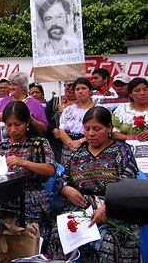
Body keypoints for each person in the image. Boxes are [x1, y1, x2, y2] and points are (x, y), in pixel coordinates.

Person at [49, 106, 139, 262]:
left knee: (108, 243)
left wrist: (109, 206)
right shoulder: (78, 153)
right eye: (87, 129)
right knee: (60, 235)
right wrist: (66, 189)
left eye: (97, 129)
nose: (91, 134)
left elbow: (128, 182)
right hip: (81, 208)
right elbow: (62, 179)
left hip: (113, 208)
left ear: (109, 127)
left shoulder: (122, 151)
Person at [0, 101, 55, 247]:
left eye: (17, 125)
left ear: (27, 123)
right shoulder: (0, 146)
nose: (12, 129)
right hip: (1, 198)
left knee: (26, 236)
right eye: (8, 125)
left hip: (30, 196)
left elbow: (51, 170)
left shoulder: (38, 144)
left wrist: (24, 163)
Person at [59, 77, 96, 166]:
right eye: (77, 89)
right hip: (69, 147)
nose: (80, 91)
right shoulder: (68, 110)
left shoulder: (98, 109)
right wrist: (70, 143)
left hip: (90, 144)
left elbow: (101, 131)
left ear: (90, 91)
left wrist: (80, 141)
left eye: (83, 88)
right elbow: (61, 129)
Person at [45, 81, 76, 162]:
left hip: (75, 140)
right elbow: (45, 118)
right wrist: (54, 129)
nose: (71, 88)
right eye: (69, 85)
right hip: (57, 142)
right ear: (64, 86)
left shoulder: (82, 102)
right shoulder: (56, 100)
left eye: (74, 85)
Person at [112, 77, 148, 141]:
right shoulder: (122, 110)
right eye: (137, 90)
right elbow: (114, 134)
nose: (142, 93)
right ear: (130, 94)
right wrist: (134, 138)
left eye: (145, 89)